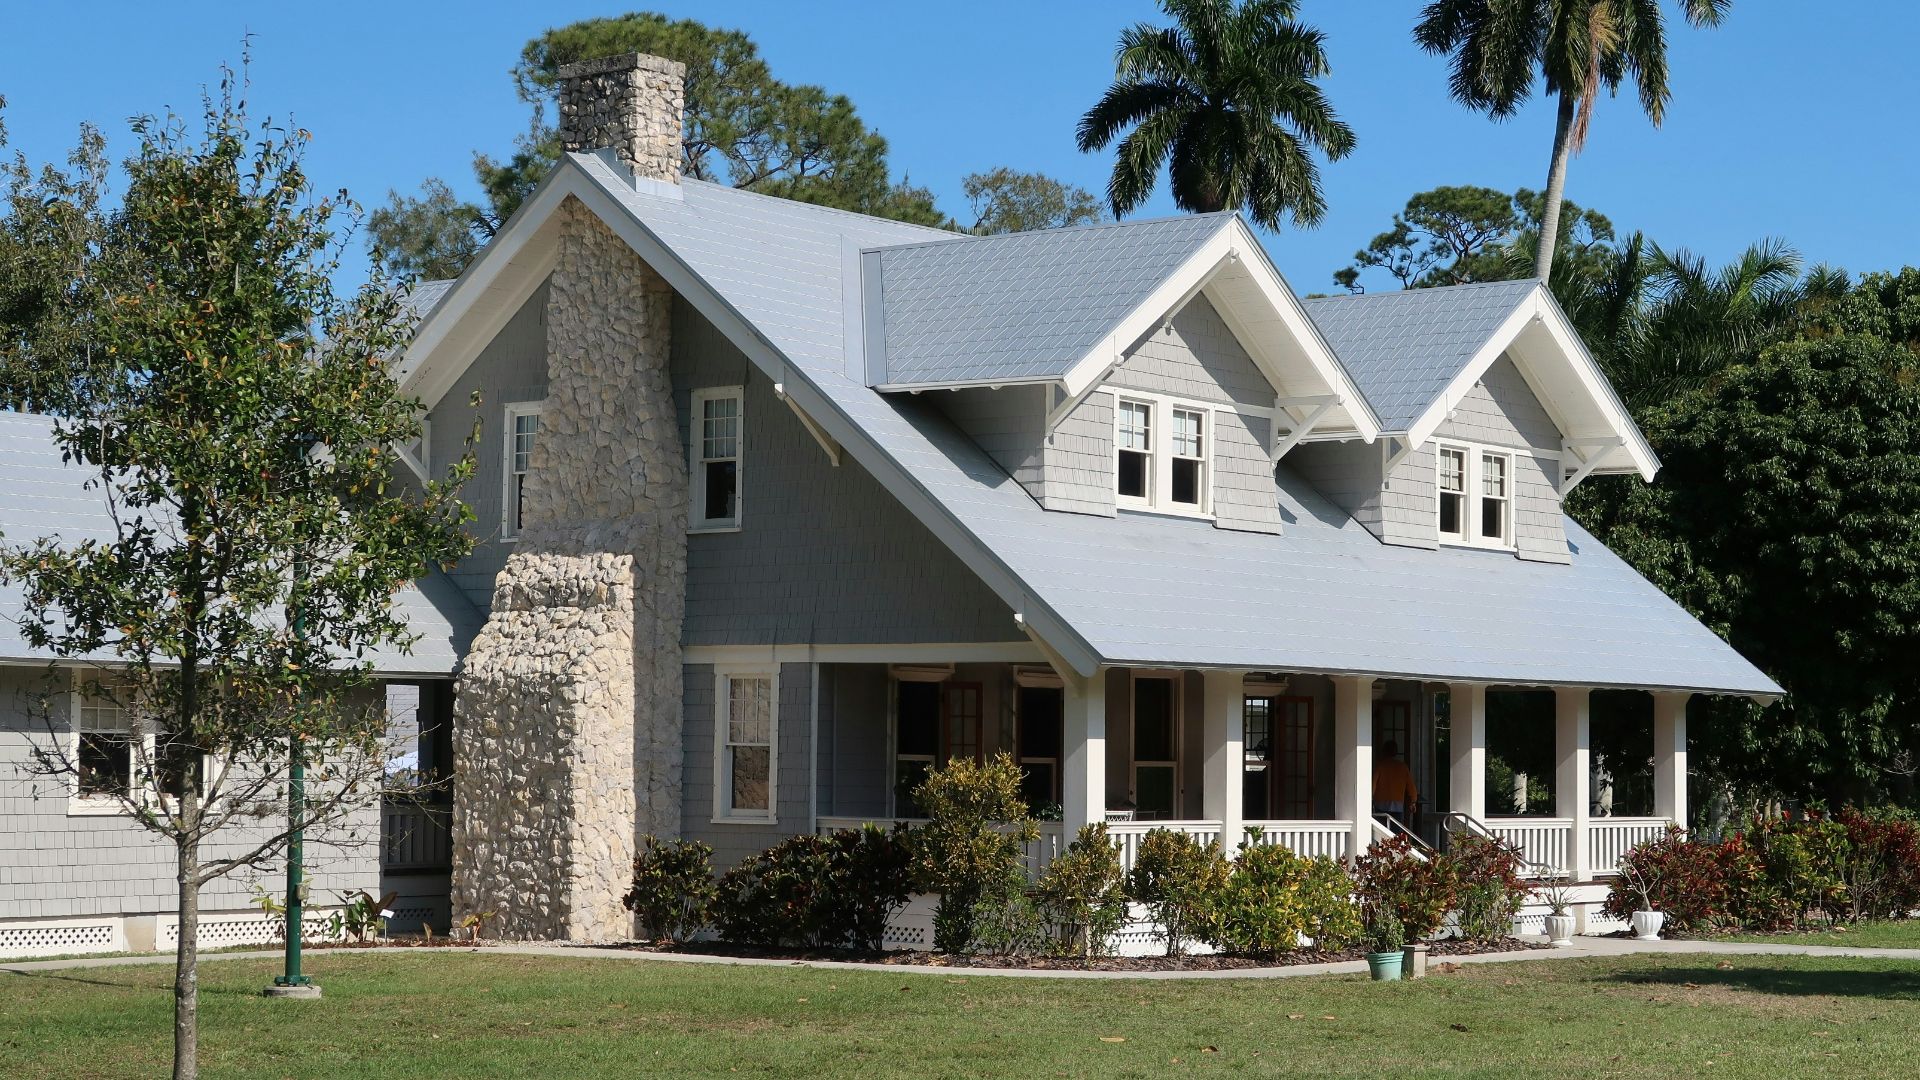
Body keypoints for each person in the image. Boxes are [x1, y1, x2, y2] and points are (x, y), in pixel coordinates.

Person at [1372, 740, 1419, 833]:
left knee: (1380, 831)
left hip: (1380, 804)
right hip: (1397, 805)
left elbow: (1373, 784)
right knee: (1395, 833)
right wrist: (1413, 801)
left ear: (1384, 751)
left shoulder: (1380, 766)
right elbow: (1411, 787)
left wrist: (1370, 799)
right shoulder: (1402, 767)